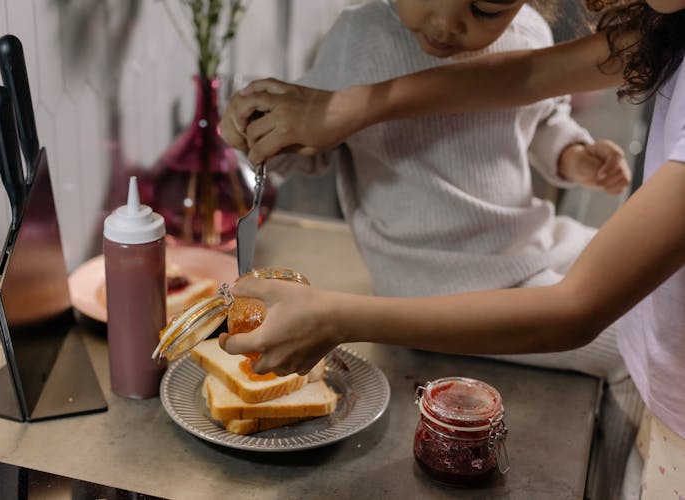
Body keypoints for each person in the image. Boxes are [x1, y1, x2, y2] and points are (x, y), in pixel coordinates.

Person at [220, 1, 685, 497]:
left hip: (522, 246)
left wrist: (570, 155)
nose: (447, 25)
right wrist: (268, 138)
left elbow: (542, 114)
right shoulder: (359, 39)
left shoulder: (527, 31)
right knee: (630, 339)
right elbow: (312, 144)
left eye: (486, 9)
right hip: (436, 280)